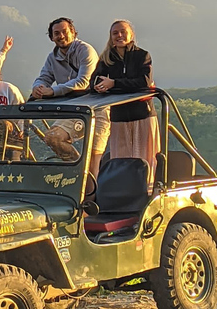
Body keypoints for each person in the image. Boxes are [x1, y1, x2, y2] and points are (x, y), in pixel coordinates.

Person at [32, 17, 108, 171]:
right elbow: (44, 77)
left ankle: (93, 188)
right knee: (52, 137)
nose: (61, 36)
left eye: (64, 31)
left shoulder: (85, 51)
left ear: (73, 32)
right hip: (73, 109)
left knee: (94, 159)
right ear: (52, 37)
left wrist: (53, 91)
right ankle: (79, 171)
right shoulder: (52, 57)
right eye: (56, 33)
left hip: (96, 107)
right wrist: (38, 88)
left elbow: (84, 81)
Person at [91, 19, 158, 192]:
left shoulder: (142, 56)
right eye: (115, 33)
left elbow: (144, 82)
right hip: (118, 117)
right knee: (121, 160)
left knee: (145, 159)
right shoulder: (106, 59)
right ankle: (123, 195)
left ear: (131, 35)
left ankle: (146, 195)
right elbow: (94, 80)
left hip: (142, 115)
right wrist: (99, 86)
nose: (119, 36)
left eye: (123, 32)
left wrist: (114, 83)